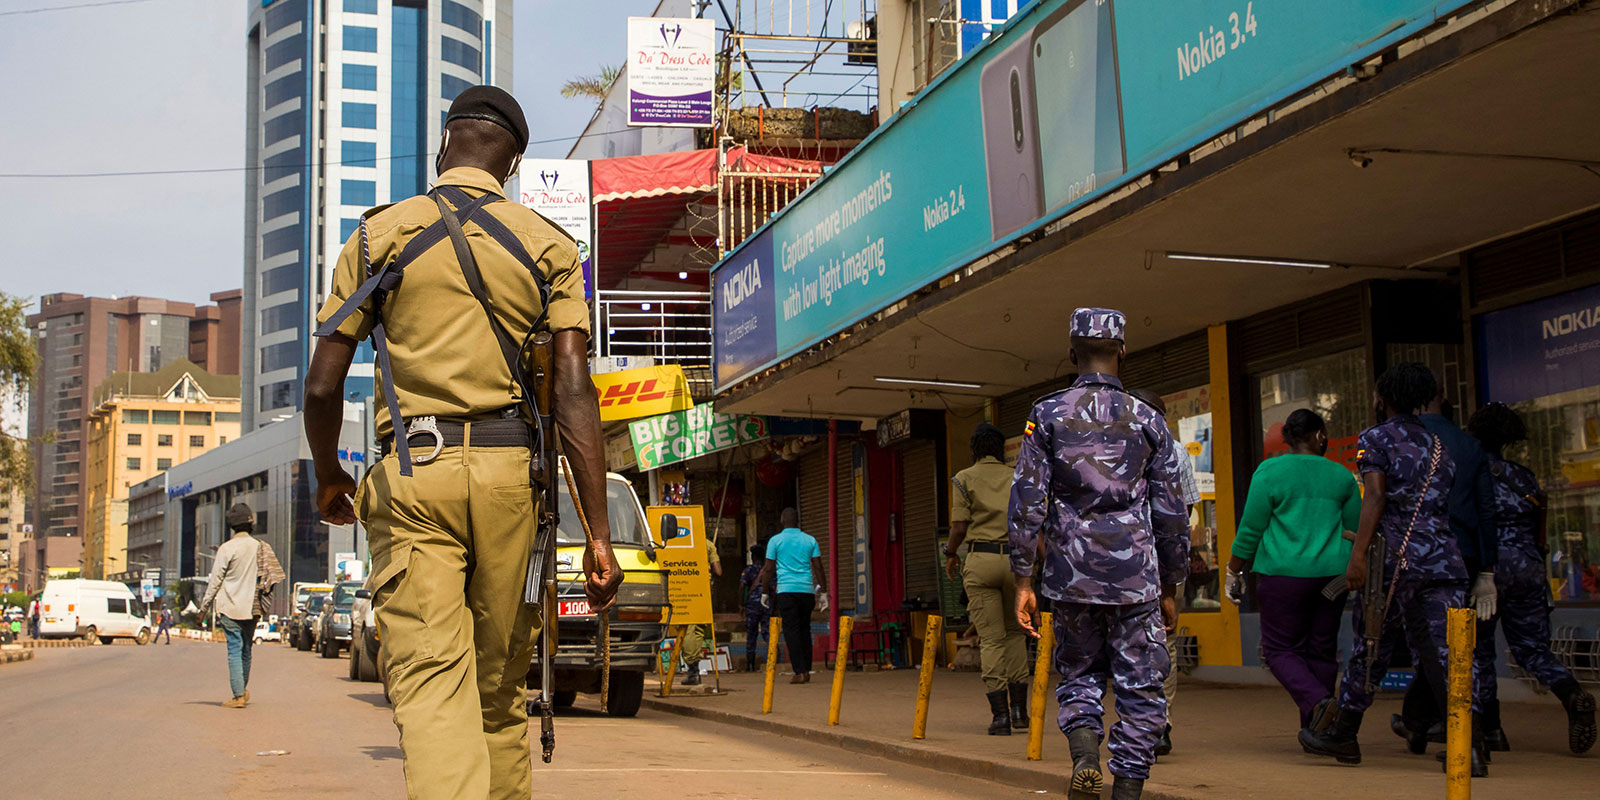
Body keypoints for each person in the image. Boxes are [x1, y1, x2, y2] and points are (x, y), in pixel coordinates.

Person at [304, 86, 623, 800]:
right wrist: (598, 537)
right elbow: (575, 390)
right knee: (500, 691)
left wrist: (330, 476)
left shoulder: (377, 235)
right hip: (514, 480)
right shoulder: (548, 245)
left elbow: (323, 386)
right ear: (511, 167)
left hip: (417, 476)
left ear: (445, 144)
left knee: (431, 685)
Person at [1010, 308, 1190, 800]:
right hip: (1137, 578)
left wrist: (1023, 579)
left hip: (1070, 576)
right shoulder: (1150, 419)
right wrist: (1171, 586)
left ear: (1071, 354)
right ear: (1123, 352)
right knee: (1141, 686)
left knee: (1080, 673)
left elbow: (1027, 500)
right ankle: (1126, 789)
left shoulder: (1046, 415)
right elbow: (1172, 512)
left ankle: (1086, 754)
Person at [1298, 363, 1487, 775]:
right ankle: (1469, 747)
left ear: (1382, 399)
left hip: (1396, 563)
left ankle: (1344, 734)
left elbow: (1376, 496)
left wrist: (1359, 555)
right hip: (1444, 561)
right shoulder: (1440, 445)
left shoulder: (1376, 439)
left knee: (1371, 647)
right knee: (1452, 653)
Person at [1466, 403, 1595, 755]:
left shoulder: (1469, 472)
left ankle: (1492, 730)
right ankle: (1571, 694)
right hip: (1529, 568)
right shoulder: (1523, 476)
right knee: (1532, 649)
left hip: (1488, 570)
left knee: (1479, 652)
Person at [1224, 409, 1360, 729]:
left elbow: (1250, 529)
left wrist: (1234, 570)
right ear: (1318, 436)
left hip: (1282, 577)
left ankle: (1319, 703)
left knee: (1279, 650)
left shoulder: (1270, 472)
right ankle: (1319, 728)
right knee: (1323, 651)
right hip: (1332, 578)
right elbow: (1353, 531)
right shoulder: (1341, 475)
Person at [1391, 388, 1502, 749]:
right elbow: (1487, 510)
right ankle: (1420, 722)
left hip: (1420, 554)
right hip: (1465, 555)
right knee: (1453, 644)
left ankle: (1463, 735)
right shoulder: (1469, 445)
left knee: (1429, 644)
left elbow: (1383, 500)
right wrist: (1487, 569)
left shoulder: (1406, 440)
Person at [1128, 389, 1201, 757]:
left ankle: (1146, 724)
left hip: (1130, 561)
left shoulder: (1120, 445)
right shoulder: (1175, 451)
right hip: (1165, 561)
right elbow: (1184, 512)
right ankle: (1159, 724)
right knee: (1163, 641)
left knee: (1131, 640)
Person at [945, 422, 1030, 736]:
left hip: (980, 561)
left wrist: (951, 554)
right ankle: (1021, 712)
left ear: (974, 451)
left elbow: (958, 528)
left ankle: (1000, 717)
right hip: (1016, 562)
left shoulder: (964, 478)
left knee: (991, 639)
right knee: (1015, 634)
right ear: (1001, 450)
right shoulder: (1017, 477)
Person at [198, 503, 283, 708]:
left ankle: (237, 696)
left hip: (230, 608)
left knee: (234, 650)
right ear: (251, 524)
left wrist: (203, 609)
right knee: (246, 649)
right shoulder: (261, 547)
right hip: (253, 607)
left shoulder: (227, 548)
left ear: (231, 525)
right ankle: (241, 691)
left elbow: (215, 581)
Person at [760, 508, 827, 684]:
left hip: (786, 591)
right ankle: (806, 668)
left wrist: (765, 592)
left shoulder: (776, 541)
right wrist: (824, 592)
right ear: (797, 520)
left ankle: (799, 671)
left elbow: (768, 569)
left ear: (782, 519)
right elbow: (818, 567)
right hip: (806, 591)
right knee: (805, 629)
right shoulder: (810, 540)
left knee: (791, 631)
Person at [679, 534, 723, 686]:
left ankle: (693, 670)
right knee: (698, 629)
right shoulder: (708, 544)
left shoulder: (679, 543)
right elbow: (718, 571)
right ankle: (694, 671)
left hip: (684, 587)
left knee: (688, 629)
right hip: (703, 590)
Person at [739, 544, 770, 673]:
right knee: (767, 633)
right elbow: (774, 589)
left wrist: (741, 604)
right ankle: (772, 661)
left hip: (752, 606)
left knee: (751, 635)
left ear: (753, 557)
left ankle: (750, 665)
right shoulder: (769, 570)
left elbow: (742, 587)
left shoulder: (748, 571)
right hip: (766, 605)